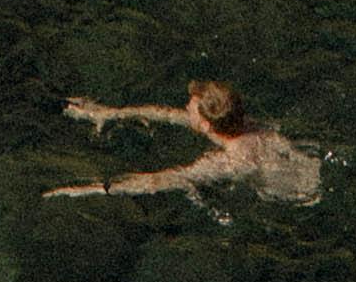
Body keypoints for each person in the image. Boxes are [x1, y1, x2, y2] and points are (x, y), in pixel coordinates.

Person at [48, 81, 326, 208]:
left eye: (191, 107)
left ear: (205, 125)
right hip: (315, 165)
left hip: (302, 197)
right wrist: (111, 113)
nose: (184, 108)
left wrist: (89, 189)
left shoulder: (231, 160)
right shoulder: (244, 123)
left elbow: (164, 181)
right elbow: (171, 116)